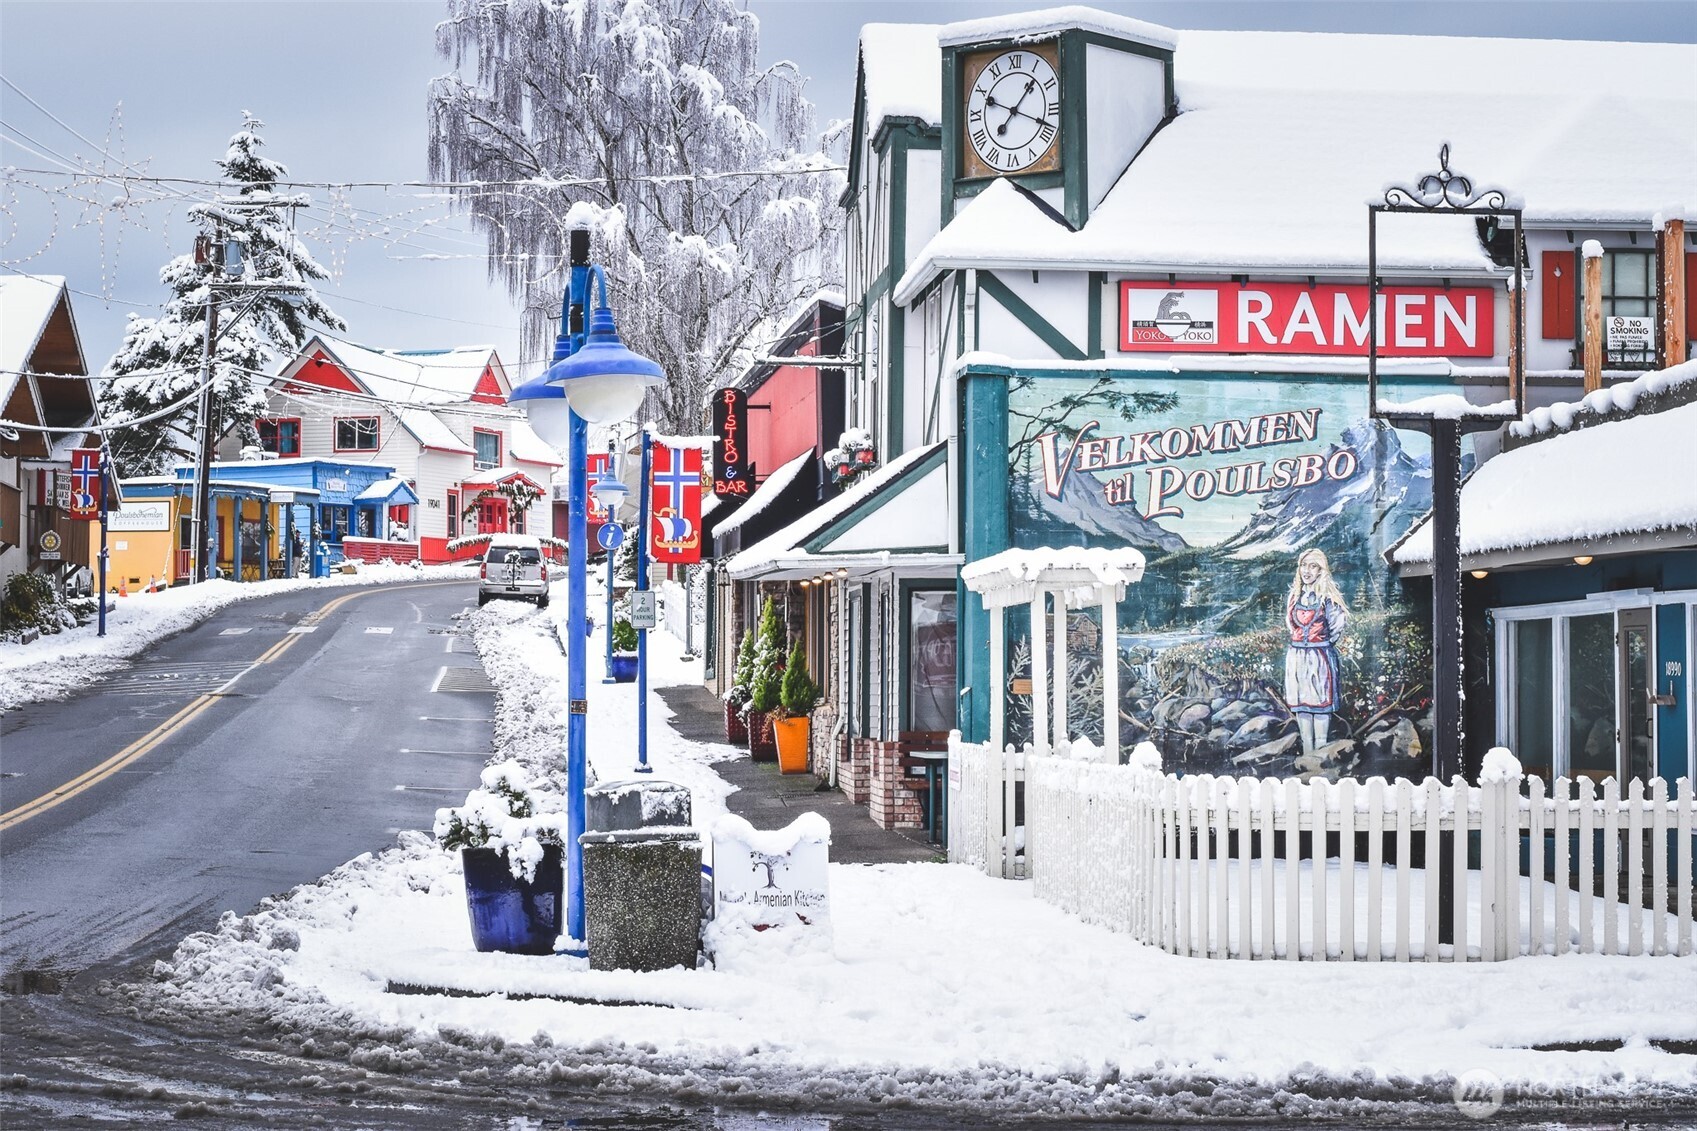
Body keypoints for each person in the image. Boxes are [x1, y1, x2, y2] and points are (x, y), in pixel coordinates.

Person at [1283, 547, 1349, 753]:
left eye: (1313, 566)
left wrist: (1318, 642)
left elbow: (1337, 627)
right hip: (1297, 658)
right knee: (1302, 705)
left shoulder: (1327, 600)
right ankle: (1307, 751)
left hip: (1319, 657)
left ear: (1321, 571)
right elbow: (1291, 625)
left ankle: (1319, 753)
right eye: (1304, 565)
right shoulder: (1294, 597)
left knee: (1319, 704)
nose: (1307, 571)